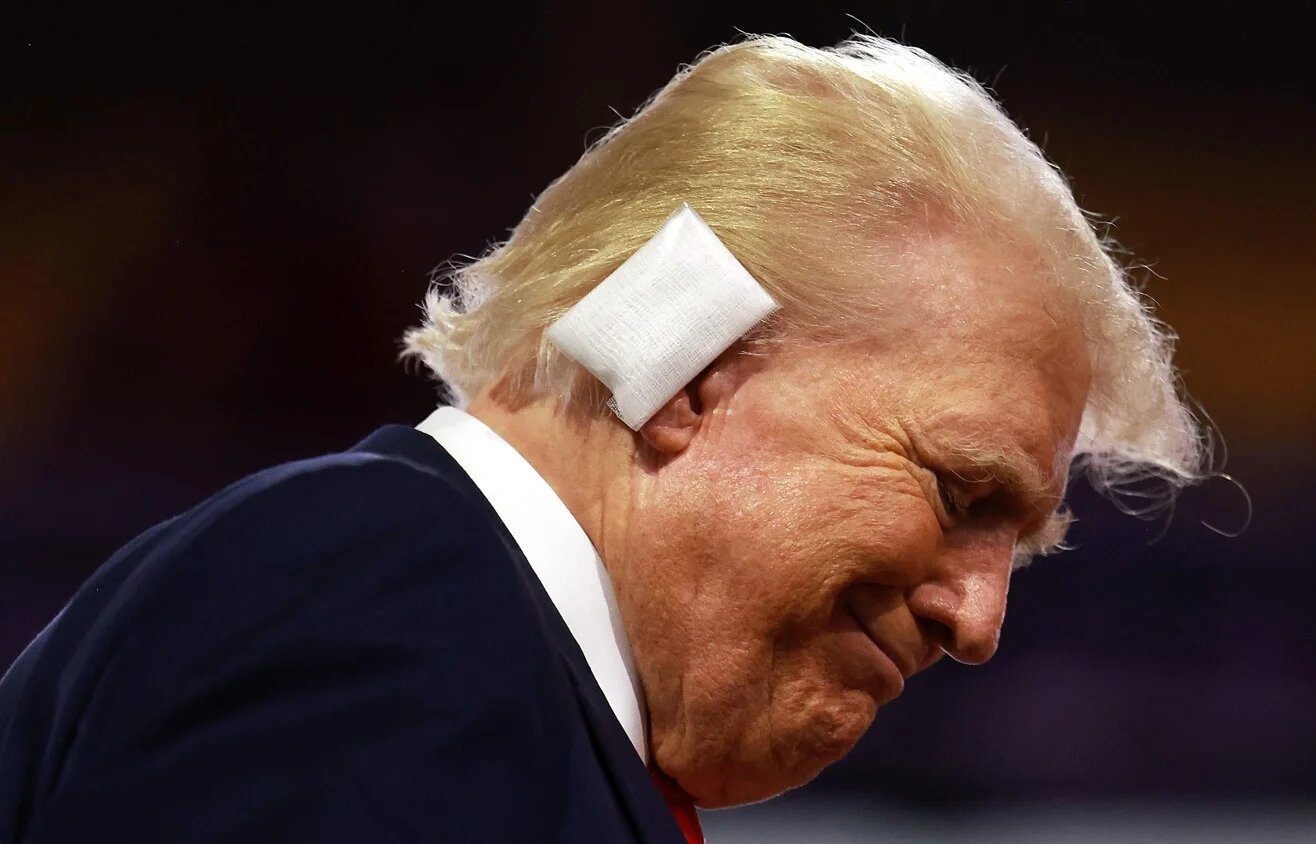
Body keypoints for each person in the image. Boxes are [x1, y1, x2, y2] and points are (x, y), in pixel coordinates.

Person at [0, 34, 1202, 842]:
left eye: (1018, 548)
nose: (980, 621)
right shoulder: (395, 622)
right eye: (958, 493)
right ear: (688, 377)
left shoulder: (470, 656)